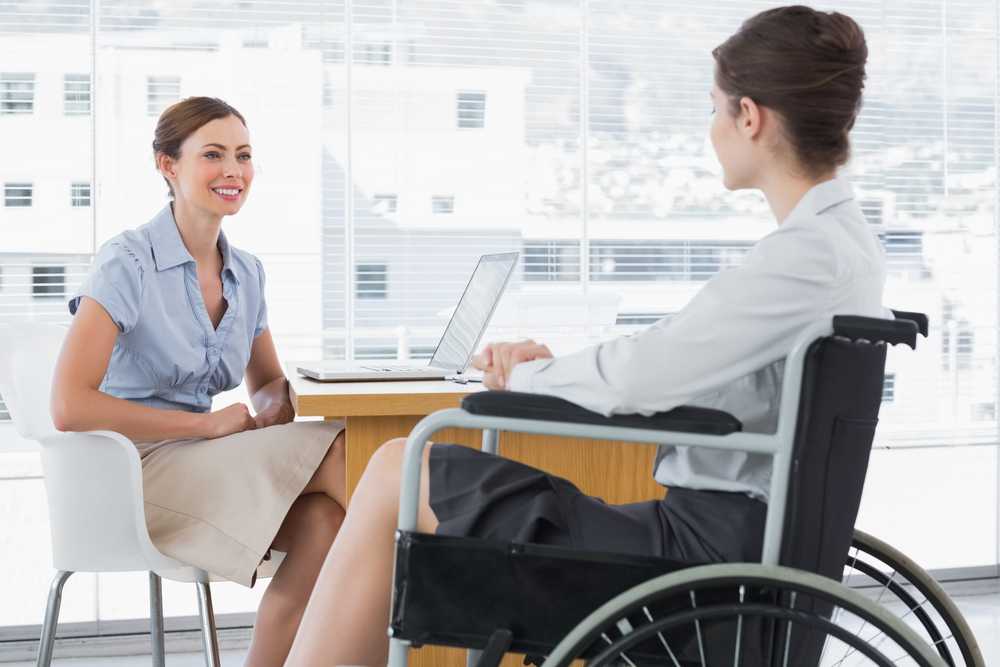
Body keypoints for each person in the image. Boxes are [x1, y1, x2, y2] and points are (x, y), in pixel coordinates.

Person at [284, 6, 883, 666]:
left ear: (750, 117)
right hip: (732, 544)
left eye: (715, 109)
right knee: (410, 470)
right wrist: (561, 368)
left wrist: (524, 378)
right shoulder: (843, 247)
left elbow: (641, 375)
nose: (711, 130)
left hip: (693, 564)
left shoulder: (800, 258)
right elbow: (675, 357)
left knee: (401, 464)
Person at [50, 96, 348, 667]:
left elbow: (265, 385)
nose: (233, 171)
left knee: (326, 522)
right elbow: (69, 405)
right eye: (213, 155)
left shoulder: (248, 272)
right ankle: (461, 606)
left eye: (244, 155)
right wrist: (206, 425)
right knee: (344, 452)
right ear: (168, 165)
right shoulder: (126, 262)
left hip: (204, 463)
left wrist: (274, 405)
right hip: (131, 472)